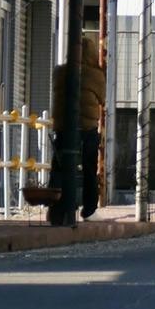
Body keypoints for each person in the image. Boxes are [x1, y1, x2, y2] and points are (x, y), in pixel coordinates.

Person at [53, 35, 106, 222]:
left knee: (59, 167)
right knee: (89, 169)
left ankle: (57, 208)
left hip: (63, 128)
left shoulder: (59, 72)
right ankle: (89, 210)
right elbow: (102, 99)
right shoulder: (96, 75)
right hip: (87, 128)